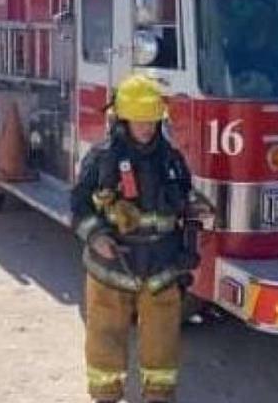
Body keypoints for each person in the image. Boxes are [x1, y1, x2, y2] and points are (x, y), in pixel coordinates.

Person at [71, 73, 200, 403]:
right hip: (113, 266)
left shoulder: (171, 160)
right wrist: (97, 236)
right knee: (105, 336)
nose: (147, 127)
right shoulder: (102, 158)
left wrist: (193, 208)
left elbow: (184, 201)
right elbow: (78, 205)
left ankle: (158, 395)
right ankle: (106, 393)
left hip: (161, 268)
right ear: (122, 118)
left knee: (162, 341)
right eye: (139, 120)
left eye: (152, 120)